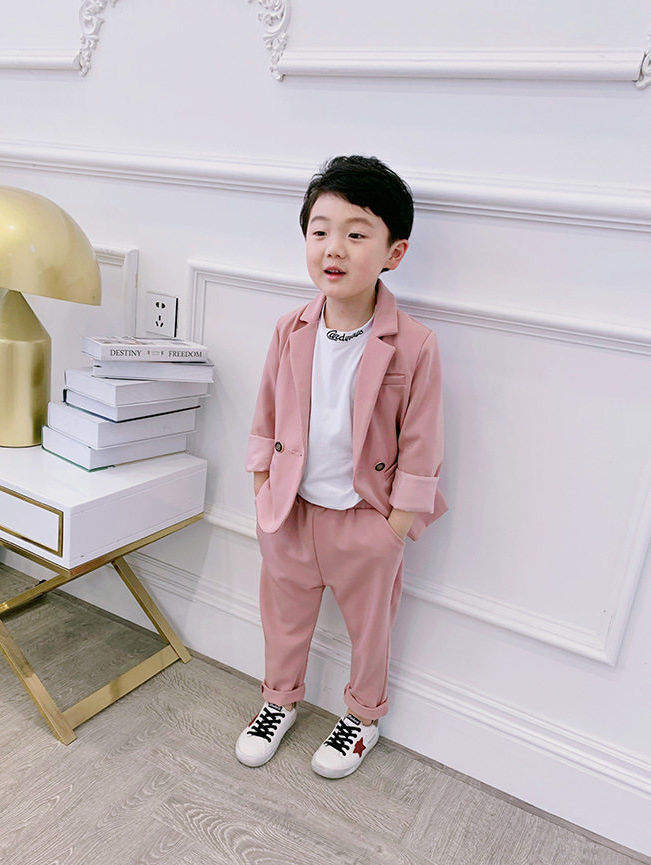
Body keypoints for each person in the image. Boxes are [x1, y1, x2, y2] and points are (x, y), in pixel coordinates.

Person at [236, 155, 447, 779]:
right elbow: (266, 414)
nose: (334, 248)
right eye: (320, 231)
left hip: (365, 519)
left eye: (357, 234)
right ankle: (279, 701)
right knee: (283, 619)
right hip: (291, 512)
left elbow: (423, 441)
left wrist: (395, 527)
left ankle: (363, 716)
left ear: (393, 252)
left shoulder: (414, 344)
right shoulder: (290, 329)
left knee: (370, 627)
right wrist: (262, 490)